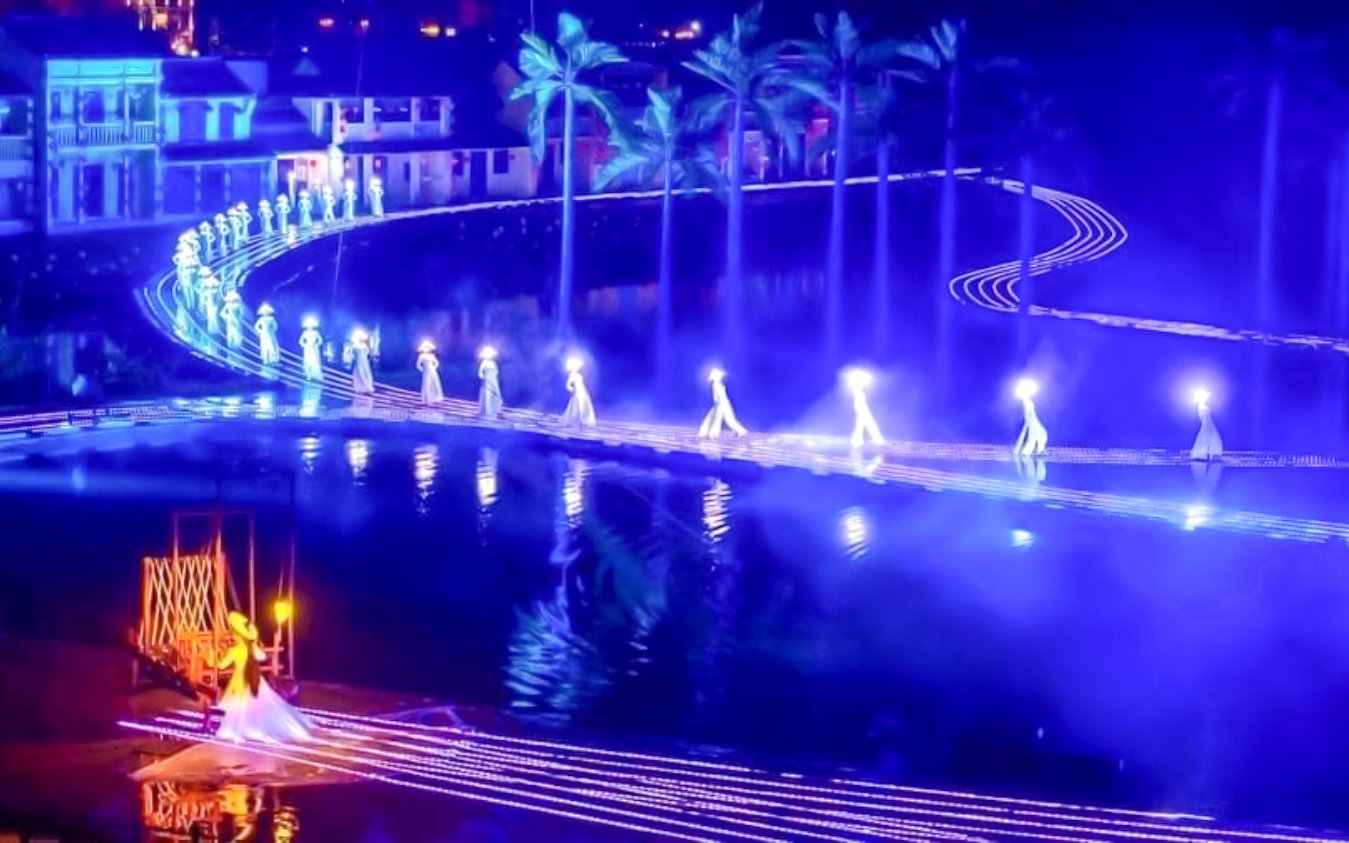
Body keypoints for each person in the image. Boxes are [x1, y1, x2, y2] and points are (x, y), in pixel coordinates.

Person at [216, 611, 311, 744]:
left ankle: (243, 728)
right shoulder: (251, 648)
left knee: (240, 704)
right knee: (256, 703)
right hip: (255, 678)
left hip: (241, 679)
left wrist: (217, 654)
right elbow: (262, 656)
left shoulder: (236, 649)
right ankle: (254, 726)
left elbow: (221, 665)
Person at [698, 368, 747, 439]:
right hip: (723, 403)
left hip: (721, 404)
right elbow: (718, 397)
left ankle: (713, 433)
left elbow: (716, 398)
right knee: (726, 418)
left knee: (720, 418)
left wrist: (717, 403)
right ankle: (712, 433)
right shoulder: (719, 385)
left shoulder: (717, 385)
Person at [845, 369, 884, 447]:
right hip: (861, 410)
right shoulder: (858, 392)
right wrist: (858, 410)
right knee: (867, 425)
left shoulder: (861, 393)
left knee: (864, 426)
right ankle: (876, 440)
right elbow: (857, 402)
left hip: (862, 409)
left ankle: (859, 440)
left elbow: (859, 400)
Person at [1014, 379, 1048, 456]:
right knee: (1035, 435)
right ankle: (1032, 450)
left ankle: (1038, 449)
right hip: (1031, 421)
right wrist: (1028, 421)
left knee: (1041, 434)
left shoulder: (1028, 400)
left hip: (1033, 420)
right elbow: (1027, 412)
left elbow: (1031, 412)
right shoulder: (1025, 401)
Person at [560, 356, 596, 427]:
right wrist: (572, 390)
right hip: (576, 393)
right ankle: (576, 421)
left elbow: (581, 385)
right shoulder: (572, 375)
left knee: (583, 406)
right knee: (577, 406)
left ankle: (583, 420)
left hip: (582, 392)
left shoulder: (579, 376)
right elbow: (568, 385)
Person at [1190, 389, 1223, 461]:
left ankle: (1214, 454)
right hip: (1206, 423)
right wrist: (1205, 422)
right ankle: (1201, 455)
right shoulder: (1200, 406)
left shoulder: (1205, 406)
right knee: (1204, 438)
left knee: (1213, 437)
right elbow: (1201, 416)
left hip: (1209, 423)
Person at [345, 327, 375, 394]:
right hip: (359, 362)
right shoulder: (355, 346)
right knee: (360, 373)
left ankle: (367, 386)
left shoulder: (363, 345)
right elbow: (352, 353)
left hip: (364, 362)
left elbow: (367, 353)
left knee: (366, 373)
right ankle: (361, 387)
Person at [478, 345, 503, 419]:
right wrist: (484, 378)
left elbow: (497, 371)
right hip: (487, 381)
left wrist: (493, 377)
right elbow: (480, 373)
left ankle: (496, 410)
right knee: (487, 396)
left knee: (496, 395)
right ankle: (487, 411)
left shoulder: (493, 363)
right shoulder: (484, 363)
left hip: (494, 381)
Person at [416, 340, 444, 404]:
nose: (427, 349)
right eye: (425, 348)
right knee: (426, 384)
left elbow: (436, 362)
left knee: (433, 383)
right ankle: (427, 399)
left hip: (432, 371)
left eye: (428, 348)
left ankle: (434, 398)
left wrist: (434, 367)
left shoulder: (432, 356)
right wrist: (422, 370)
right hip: (426, 371)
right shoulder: (421, 356)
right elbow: (418, 364)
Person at [299, 316, 323, 381]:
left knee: (314, 361)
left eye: (311, 326)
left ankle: (315, 375)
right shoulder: (305, 333)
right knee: (308, 361)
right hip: (307, 349)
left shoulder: (316, 333)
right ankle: (308, 375)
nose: (310, 327)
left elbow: (320, 341)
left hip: (314, 350)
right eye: (309, 326)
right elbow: (300, 341)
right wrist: (305, 345)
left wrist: (316, 345)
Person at [199, 270, 222, 335]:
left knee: (214, 315)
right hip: (210, 303)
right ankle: (212, 329)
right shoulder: (206, 285)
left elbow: (218, 295)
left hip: (214, 303)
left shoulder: (214, 283)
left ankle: (215, 329)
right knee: (211, 315)